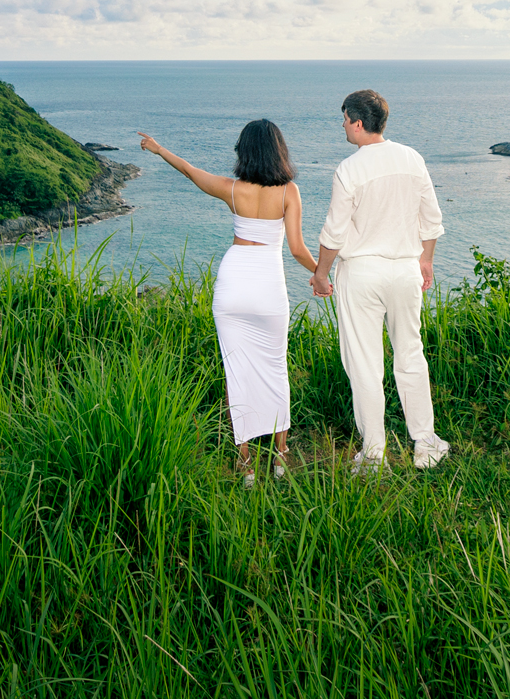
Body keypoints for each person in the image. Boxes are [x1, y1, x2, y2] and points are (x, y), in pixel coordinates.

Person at [136, 120, 319, 483]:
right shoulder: (289, 192)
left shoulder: (232, 189)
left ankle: (245, 462)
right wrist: (321, 274)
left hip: (233, 285)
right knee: (274, 367)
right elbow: (297, 249)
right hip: (268, 289)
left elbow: (190, 171)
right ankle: (280, 455)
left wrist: (159, 150)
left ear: (244, 151)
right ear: (279, 150)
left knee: (236, 372)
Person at [309, 89, 449, 471]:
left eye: (344, 119)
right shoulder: (412, 158)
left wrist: (321, 273)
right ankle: (425, 442)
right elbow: (431, 218)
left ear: (357, 122)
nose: (342, 126)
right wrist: (427, 260)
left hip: (363, 274)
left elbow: (335, 232)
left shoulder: (349, 168)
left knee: (365, 363)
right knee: (410, 354)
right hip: (405, 269)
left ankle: (374, 454)